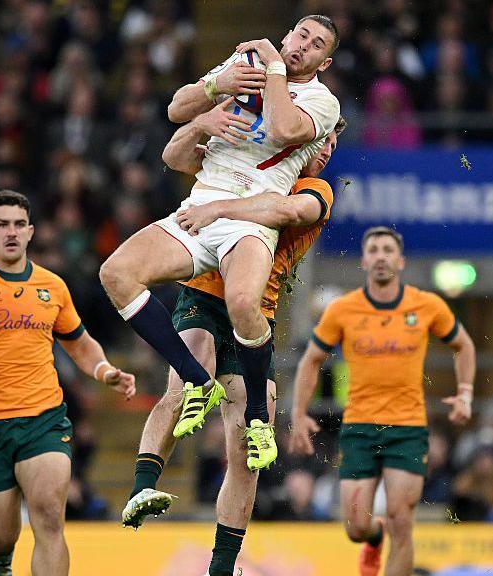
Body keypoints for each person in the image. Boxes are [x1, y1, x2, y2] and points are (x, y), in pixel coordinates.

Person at [98, 15, 341, 471]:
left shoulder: (321, 100)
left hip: (251, 214)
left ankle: (256, 418)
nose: (304, 46)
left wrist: (273, 67)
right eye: (301, 35)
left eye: (316, 45)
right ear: (289, 34)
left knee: (244, 306)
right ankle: (195, 380)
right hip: (202, 201)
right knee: (115, 273)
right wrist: (214, 94)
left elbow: (286, 130)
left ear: (323, 62)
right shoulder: (245, 61)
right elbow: (176, 108)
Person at [121, 109, 346, 576]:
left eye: (332, 146)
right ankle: (143, 485)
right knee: (182, 384)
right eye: (321, 142)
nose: (326, 152)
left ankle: (222, 566)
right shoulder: (249, 160)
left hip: (254, 312)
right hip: (204, 295)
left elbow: (282, 211)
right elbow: (177, 157)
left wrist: (219, 209)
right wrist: (204, 122)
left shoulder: (315, 191)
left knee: (243, 447)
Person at [0, 190, 136, 576]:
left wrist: (104, 371)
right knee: (0, 536)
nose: (11, 232)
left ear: (31, 232)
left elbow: (79, 343)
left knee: (50, 515)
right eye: (2, 224)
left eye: (19, 224)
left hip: (42, 419)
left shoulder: (52, 286)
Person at [290, 227, 476, 576]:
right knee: (355, 527)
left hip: (408, 429)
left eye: (387, 249)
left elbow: (463, 344)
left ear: (400, 260)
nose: (380, 256)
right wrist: (299, 415)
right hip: (360, 428)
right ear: (363, 260)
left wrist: (465, 393)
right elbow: (311, 360)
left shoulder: (426, 305)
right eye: (373, 249)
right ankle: (374, 539)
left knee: (401, 519)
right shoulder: (344, 310)